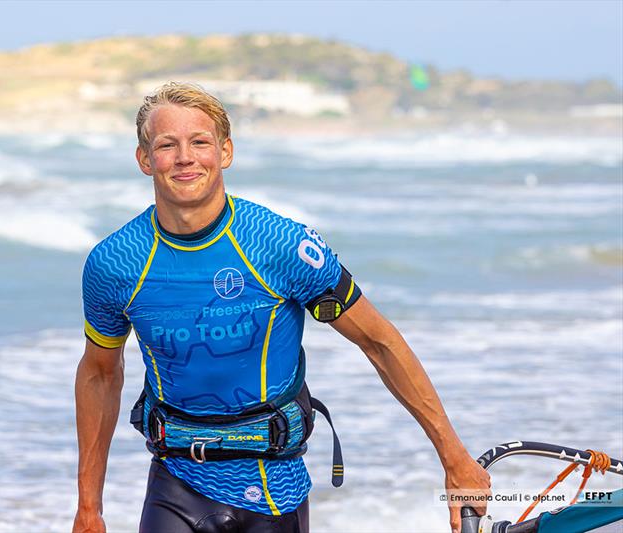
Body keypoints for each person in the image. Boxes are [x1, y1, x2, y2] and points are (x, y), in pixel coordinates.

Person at [73, 82, 491, 533]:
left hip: (275, 490)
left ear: (226, 151)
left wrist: (455, 459)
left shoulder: (281, 245)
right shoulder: (115, 263)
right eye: (166, 145)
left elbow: (379, 342)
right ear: (144, 159)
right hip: (177, 483)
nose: (185, 157)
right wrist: (88, 507)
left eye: (200, 142)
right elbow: (100, 373)